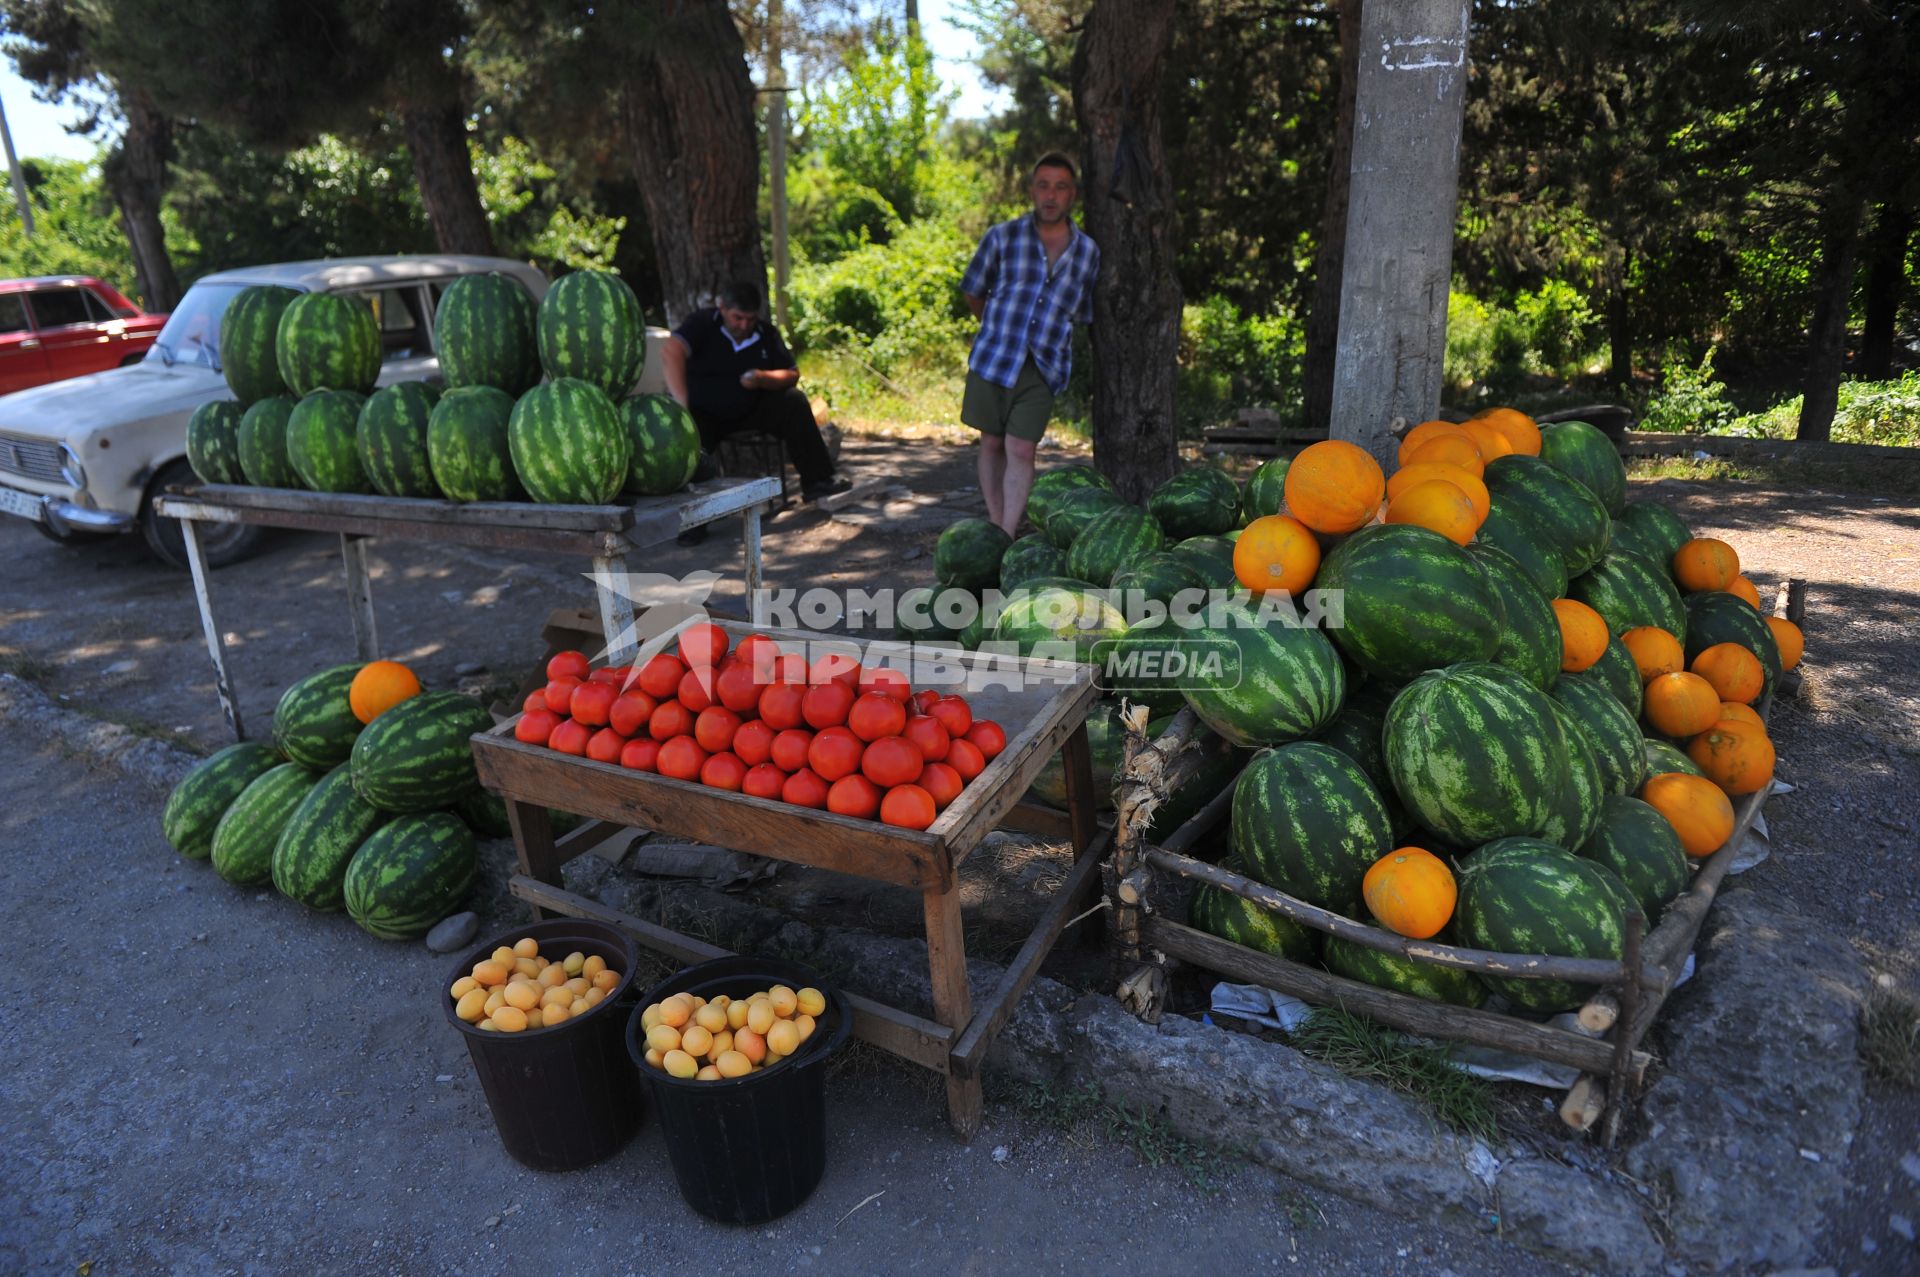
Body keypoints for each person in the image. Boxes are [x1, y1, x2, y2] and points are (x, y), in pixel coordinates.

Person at [959, 152, 1101, 536]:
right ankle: (994, 520)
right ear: (1032, 191)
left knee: (1021, 448)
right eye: (1043, 185)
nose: (1051, 195)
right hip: (994, 356)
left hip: (1044, 364)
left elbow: (1082, 310)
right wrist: (995, 326)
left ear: (1073, 195)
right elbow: (973, 290)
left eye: (1061, 187)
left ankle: (1006, 533)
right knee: (990, 442)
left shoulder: (1088, 252)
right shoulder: (1002, 237)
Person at [661, 280, 849, 511]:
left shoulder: (766, 334)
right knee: (693, 445)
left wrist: (763, 378)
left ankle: (818, 481)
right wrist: (683, 406)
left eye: (750, 319)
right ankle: (695, 518)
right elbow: (672, 349)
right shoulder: (702, 324)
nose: (744, 325)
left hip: (752, 408)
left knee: (794, 401)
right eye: (737, 318)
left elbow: (791, 374)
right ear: (722, 309)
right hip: (705, 413)